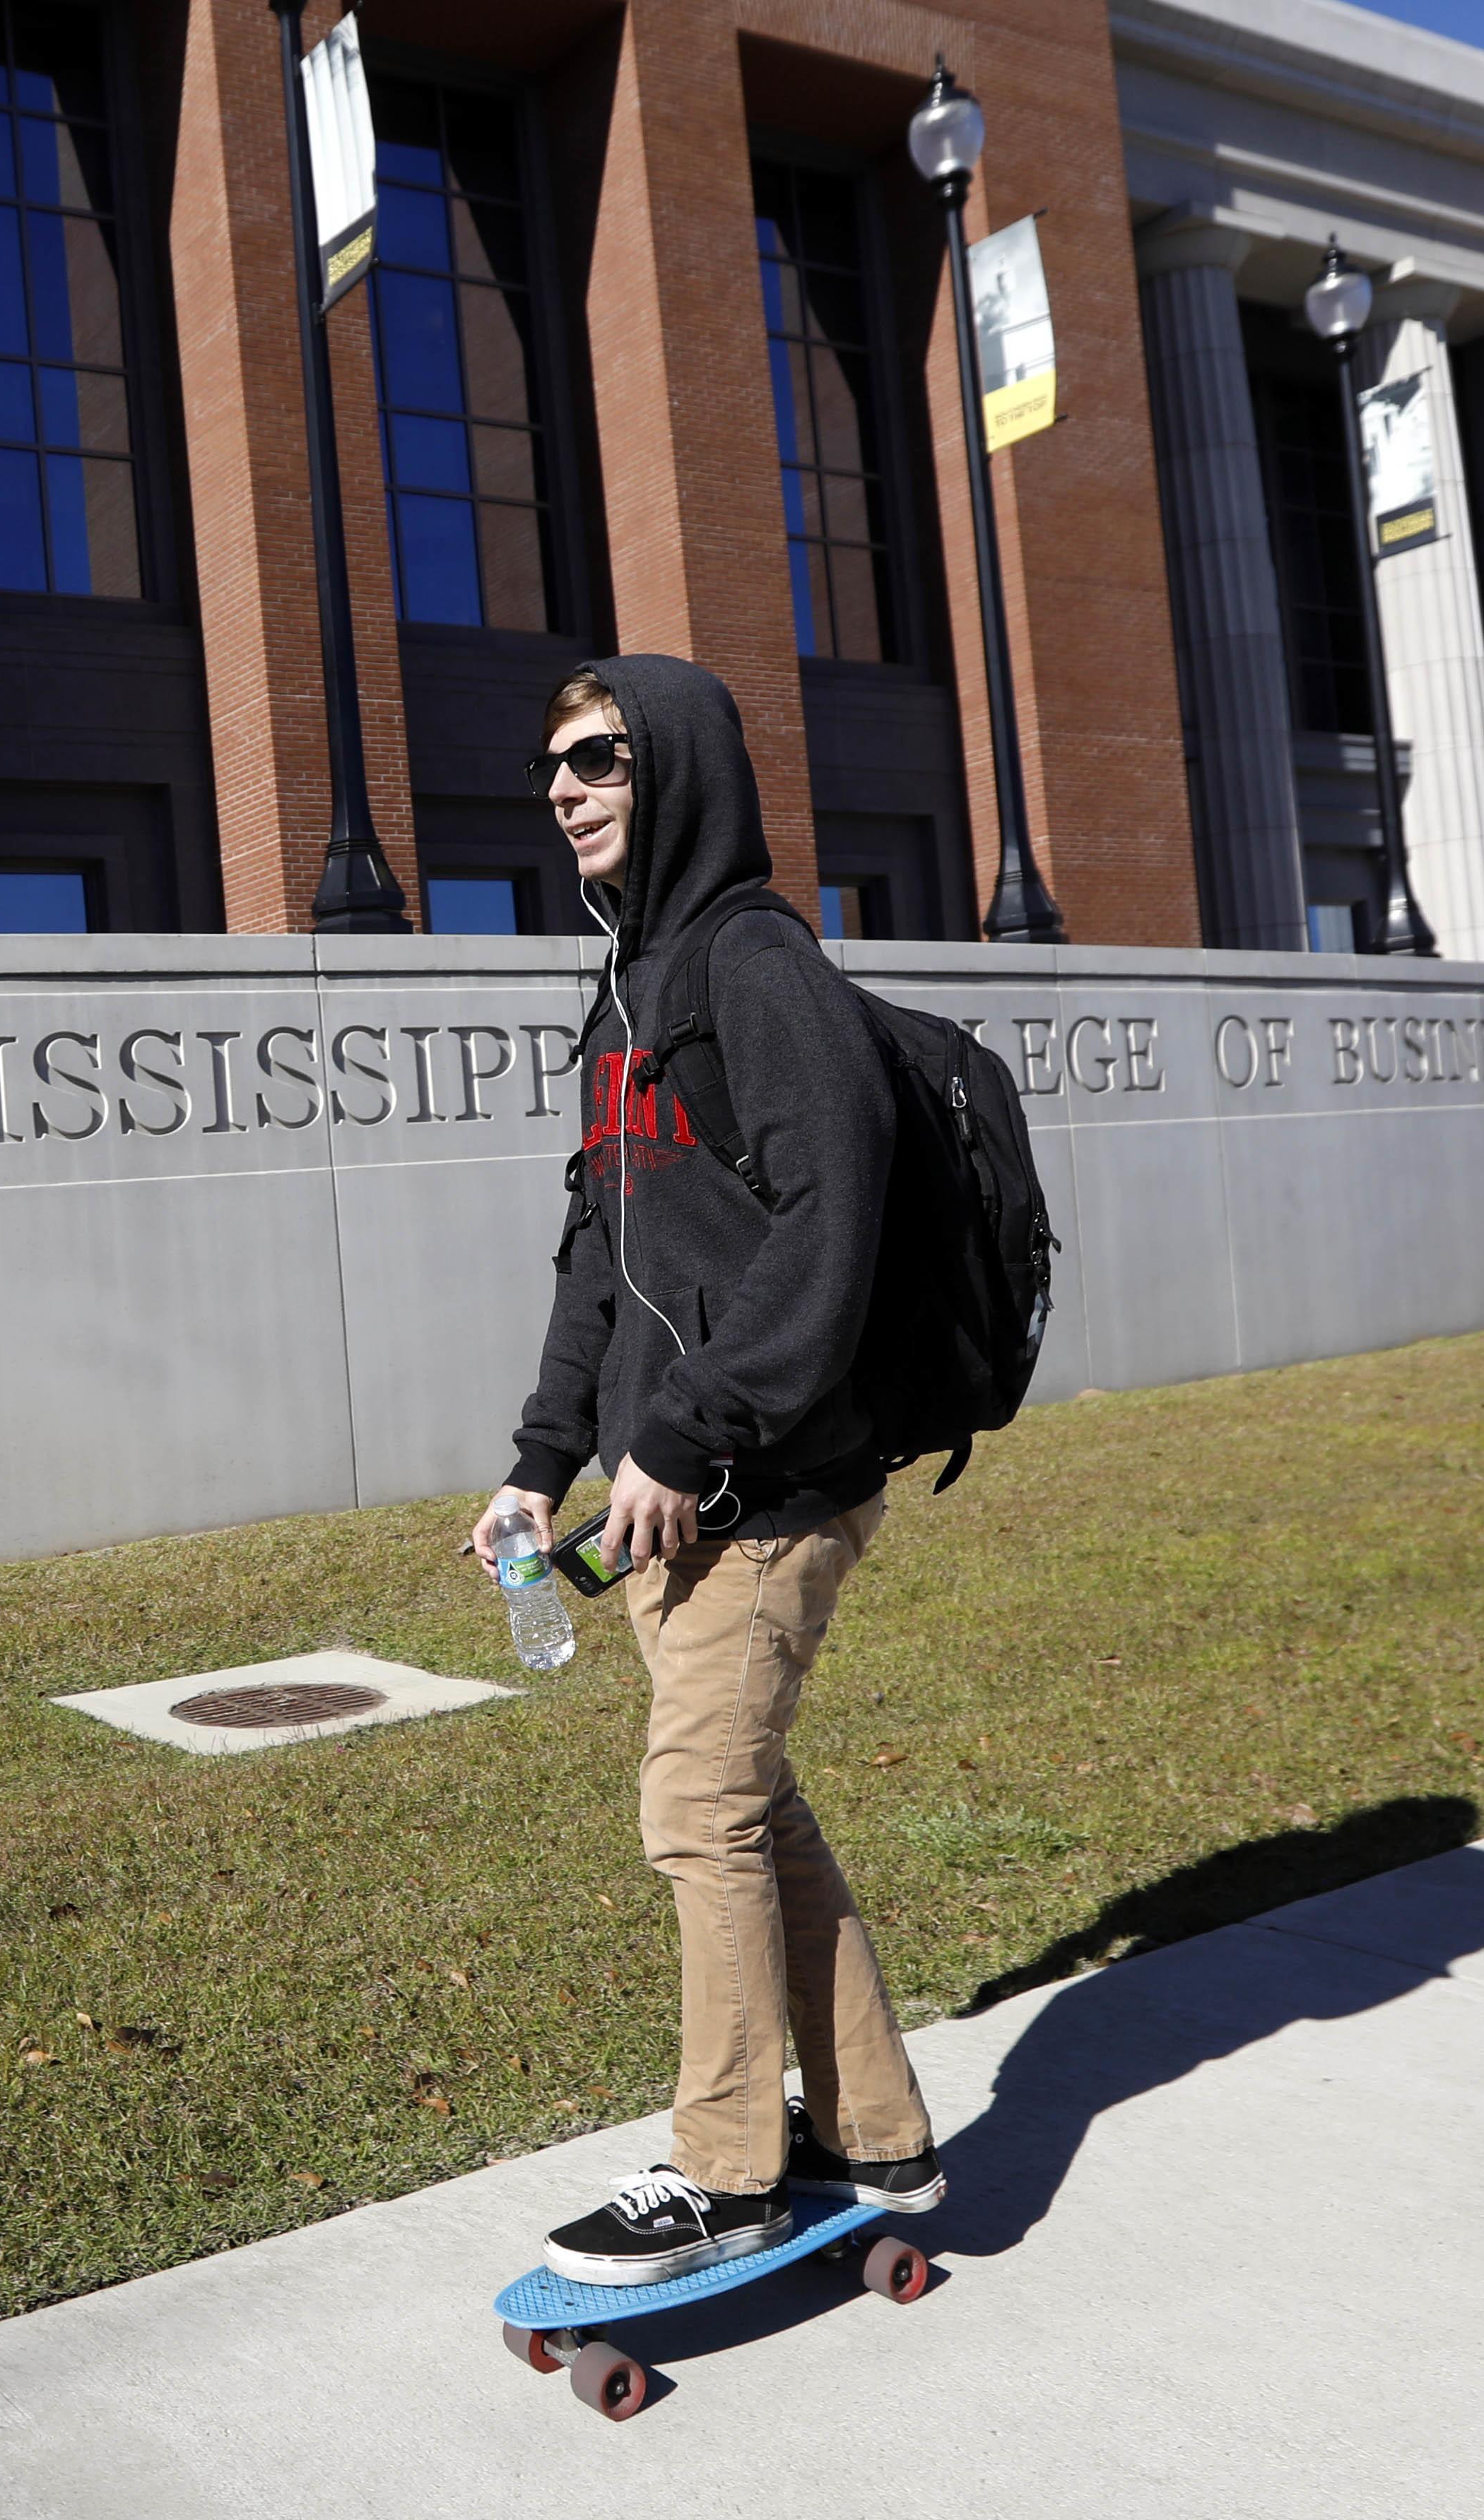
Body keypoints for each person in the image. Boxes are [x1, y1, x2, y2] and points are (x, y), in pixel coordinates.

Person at [470, 653, 945, 2287]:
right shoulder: (626, 990)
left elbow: (832, 1226)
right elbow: (594, 1254)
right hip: (660, 1502)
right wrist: (540, 1461)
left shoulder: (755, 963)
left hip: (771, 1484)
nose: (564, 789)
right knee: (752, 1807)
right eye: (552, 766)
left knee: (694, 1810)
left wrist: (688, 1425)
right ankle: (874, 2128)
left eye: (597, 757)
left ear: (672, 763)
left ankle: (725, 2167)